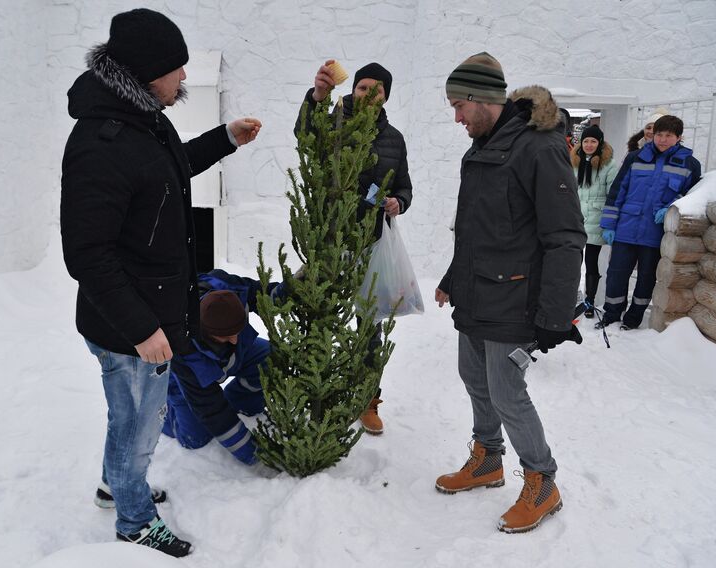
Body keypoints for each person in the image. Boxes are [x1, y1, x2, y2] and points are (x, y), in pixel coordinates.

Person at [60, 8, 261, 557]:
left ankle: (114, 484)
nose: (183, 79)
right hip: (128, 325)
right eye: (178, 70)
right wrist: (143, 329)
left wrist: (224, 139)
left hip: (146, 311)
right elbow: (87, 254)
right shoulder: (100, 146)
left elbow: (166, 171)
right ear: (149, 72)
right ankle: (132, 519)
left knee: (128, 416)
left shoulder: (144, 118)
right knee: (138, 425)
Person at [434, 52, 586, 534]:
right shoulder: (480, 147)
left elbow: (566, 236)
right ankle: (487, 459)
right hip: (476, 294)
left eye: (459, 105)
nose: (456, 116)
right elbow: (476, 230)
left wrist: (556, 315)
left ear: (483, 100)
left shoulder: (539, 147)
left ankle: (542, 480)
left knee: (506, 391)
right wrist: (451, 277)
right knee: (471, 375)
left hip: (516, 300)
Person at [295, 60, 413, 435]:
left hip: (370, 240)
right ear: (353, 90)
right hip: (328, 240)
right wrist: (317, 97)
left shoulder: (393, 138)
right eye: (363, 87)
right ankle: (315, 389)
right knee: (323, 315)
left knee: (367, 324)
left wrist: (399, 202)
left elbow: (405, 186)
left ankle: (367, 400)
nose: (368, 95)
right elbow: (304, 134)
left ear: (385, 97)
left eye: (377, 90)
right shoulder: (333, 121)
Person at [162, 270, 282, 466]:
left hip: (227, 359)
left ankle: (240, 401)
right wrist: (256, 456)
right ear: (205, 332)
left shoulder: (227, 287)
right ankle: (163, 416)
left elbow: (262, 292)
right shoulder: (183, 349)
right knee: (196, 438)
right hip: (183, 381)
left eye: (237, 331)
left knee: (270, 356)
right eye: (226, 336)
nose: (234, 339)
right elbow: (212, 410)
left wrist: (291, 289)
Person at [598, 115, 701, 330]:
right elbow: (618, 190)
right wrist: (609, 224)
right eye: (659, 135)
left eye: (669, 136)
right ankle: (612, 313)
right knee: (616, 273)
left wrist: (673, 207)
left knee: (646, 277)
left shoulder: (690, 164)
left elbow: (691, 196)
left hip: (656, 233)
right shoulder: (635, 157)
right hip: (627, 226)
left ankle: (633, 318)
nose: (662, 140)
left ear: (679, 137)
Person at [570, 124, 618, 317]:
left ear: (600, 143)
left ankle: (590, 300)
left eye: (593, 141)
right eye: (586, 141)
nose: (589, 145)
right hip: (575, 219)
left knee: (591, 261)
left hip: (596, 220)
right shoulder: (573, 162)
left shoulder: (609, 165)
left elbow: (613, 194)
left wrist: (609, 222)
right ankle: (572, 297)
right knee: (573, 261)